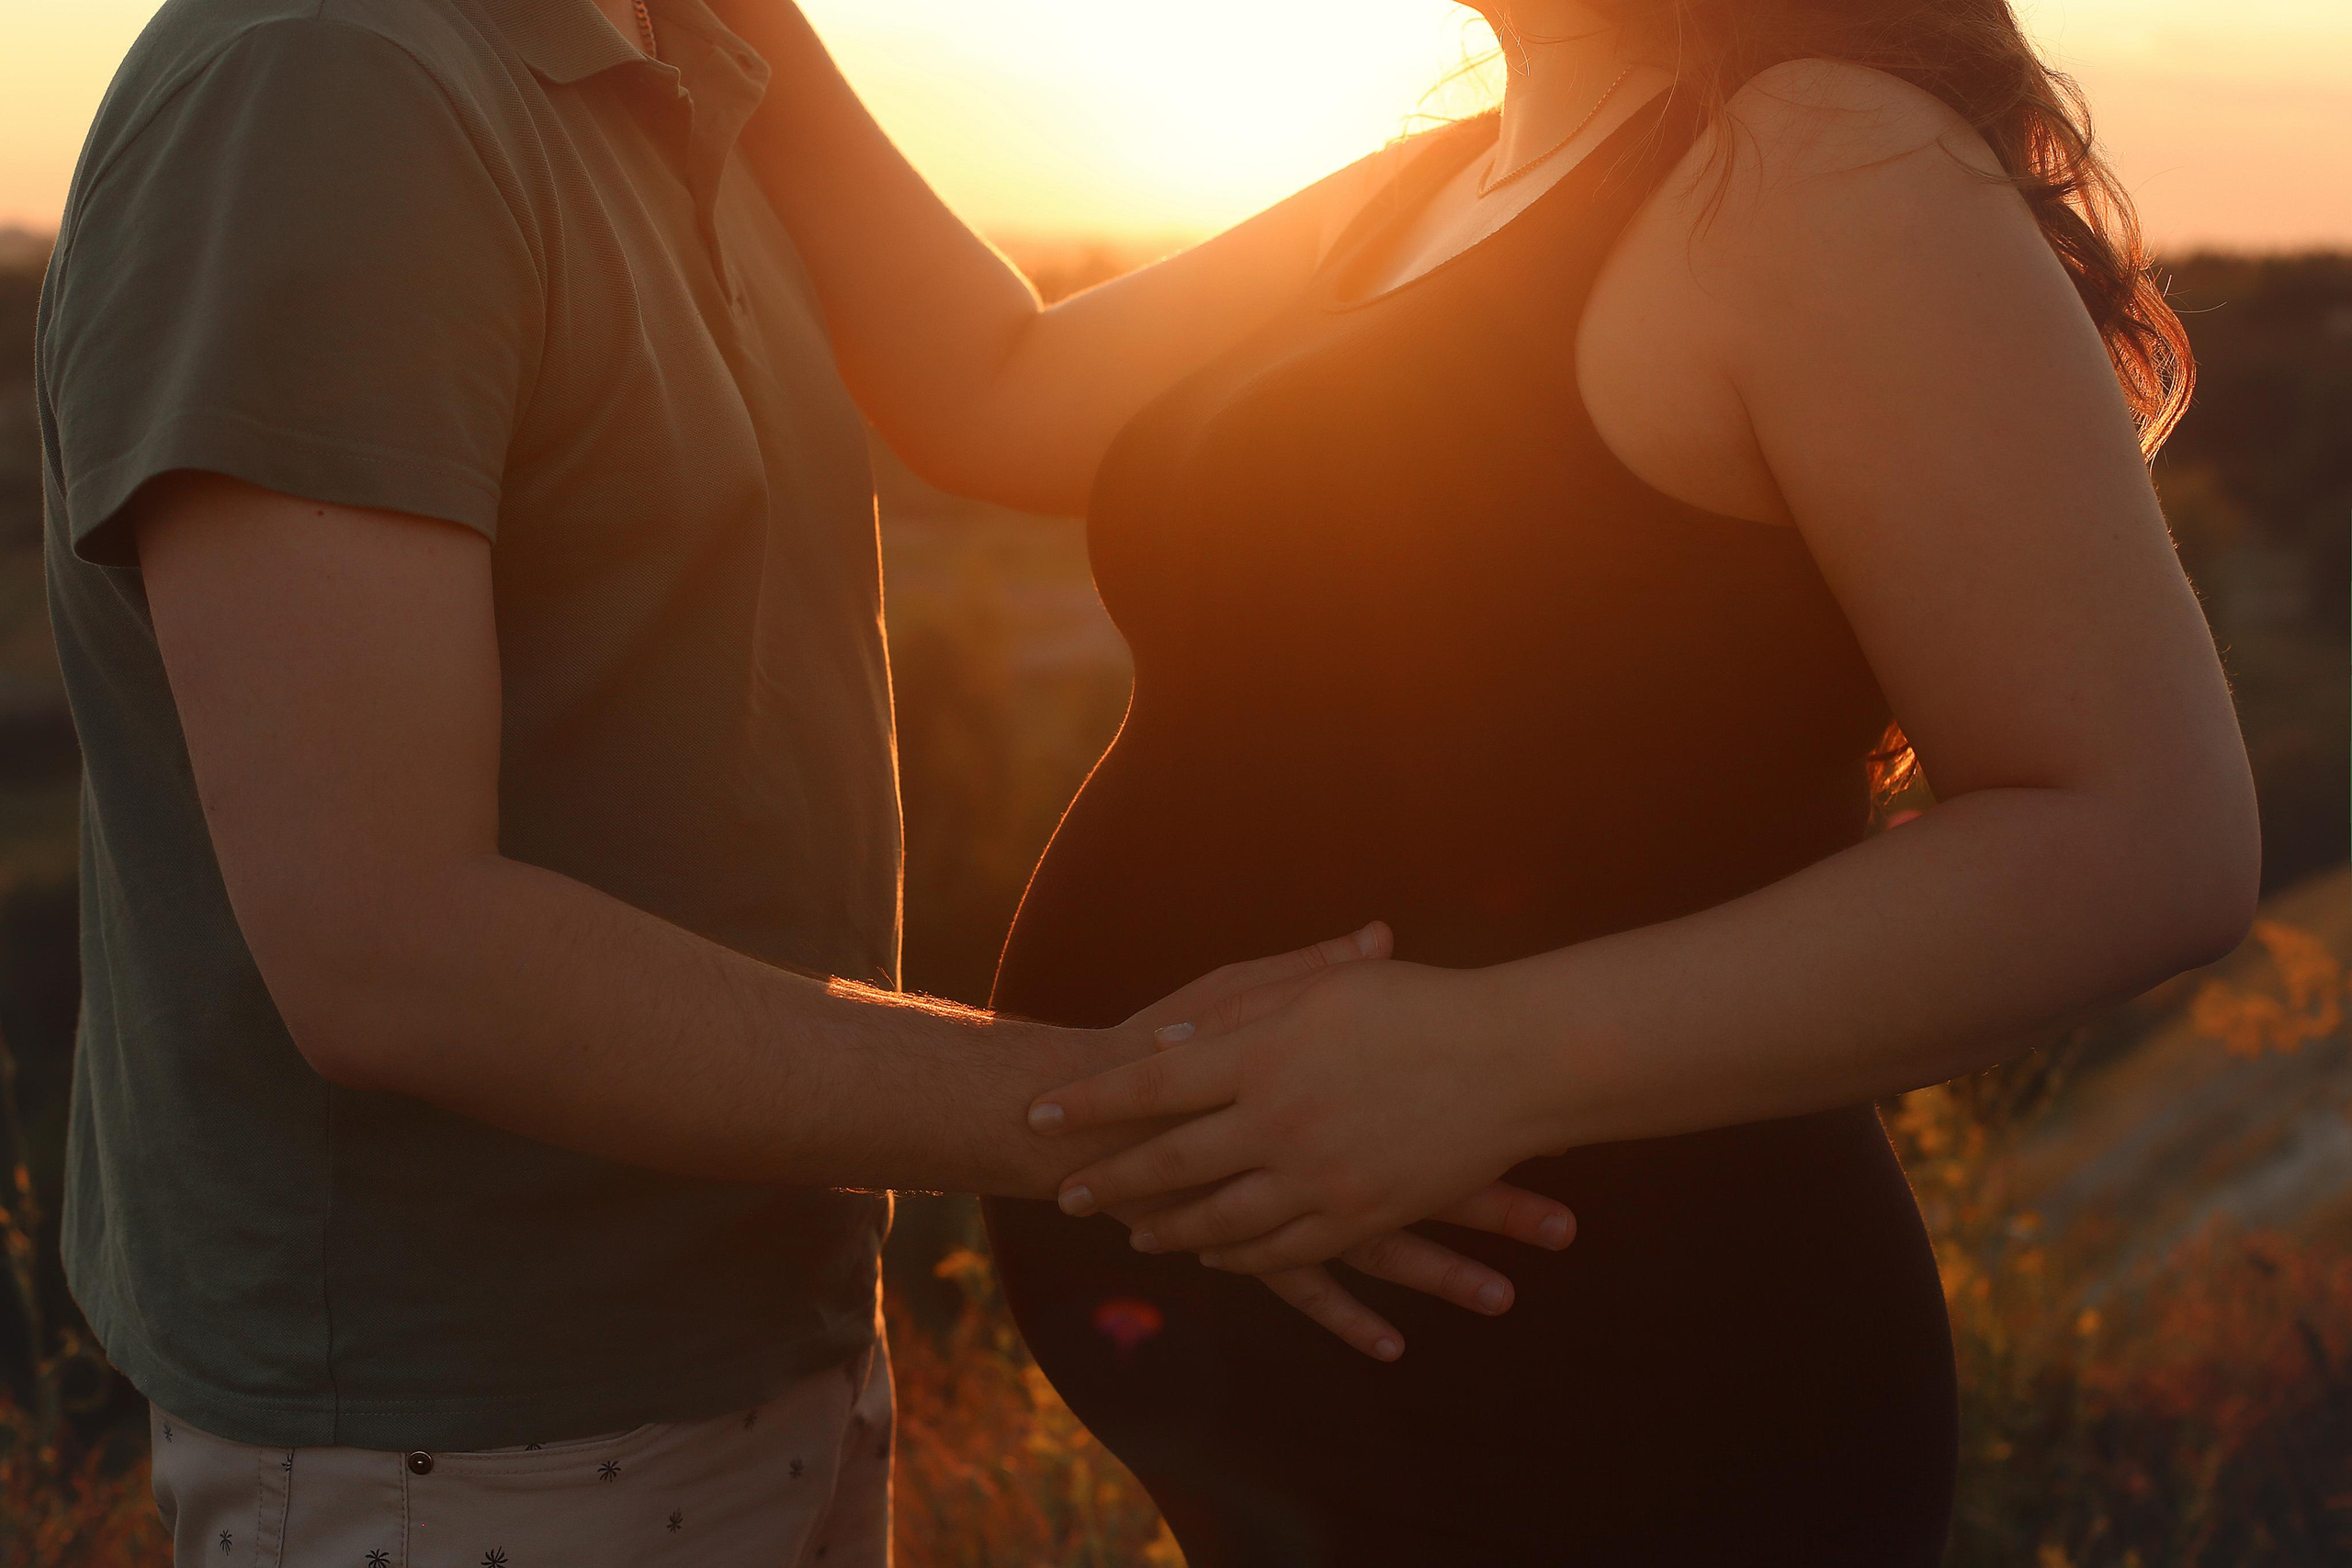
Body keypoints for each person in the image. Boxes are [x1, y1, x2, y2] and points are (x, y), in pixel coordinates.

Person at [35, 0, 1580, 1562]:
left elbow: (998, 373)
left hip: (760, 1331)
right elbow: (388, 948)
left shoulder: (685, 37)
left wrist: (1568, 125)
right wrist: (1150, 1124)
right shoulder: (328, 85)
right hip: (466, 1428)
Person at [720, 0, 2261, 1562]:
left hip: (1615, 1407)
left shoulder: (1818, 156)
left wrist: (1497, 1056)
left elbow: (2144, 832)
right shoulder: (1449, 177)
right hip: (1338, 1443)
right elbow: (997, 384)